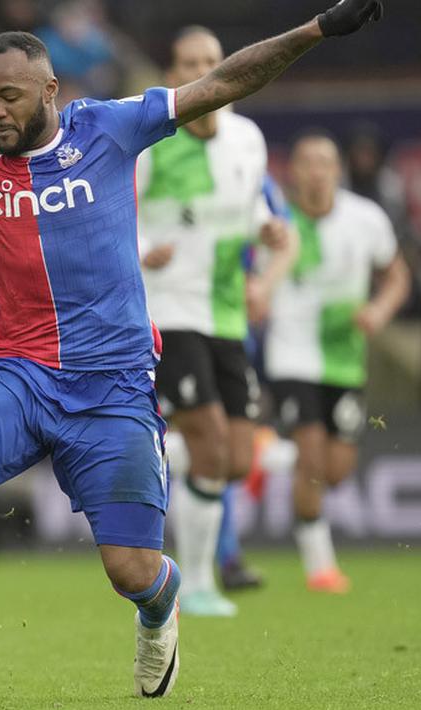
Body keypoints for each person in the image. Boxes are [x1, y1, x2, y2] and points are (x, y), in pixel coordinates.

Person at [0, 2, 385, 704]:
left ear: (50, 91)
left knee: (132, 571)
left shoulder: (109, 127)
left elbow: (225, 82)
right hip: (17, 377)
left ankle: (161, 604)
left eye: (9, 97)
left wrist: (318, 28)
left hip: (113, 389)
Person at [137, 26, 298, 616]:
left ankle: (158, 451)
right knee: (209, 444)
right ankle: (198, 583)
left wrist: (267, 230)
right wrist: (141, 246)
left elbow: (249, 204)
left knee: (235, 458)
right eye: (189, 62)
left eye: (211, 60)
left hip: (228, 315)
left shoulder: (247, 139)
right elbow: (117, 213)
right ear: (173, 72)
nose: (202, 70)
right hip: (170, 311)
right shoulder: (152, 139)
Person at [265, 130, 409, 594]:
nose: (316, 171)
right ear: (294, 172)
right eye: (306, 162)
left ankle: (263, 456)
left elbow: (396, 275)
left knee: (336, 469)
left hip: (345, 361)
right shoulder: (275, 222)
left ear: (337, 171)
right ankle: (320, 567)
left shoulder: (366, 219)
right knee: (310, 457)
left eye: (324, 162)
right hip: (291, 356)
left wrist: (380, 310)